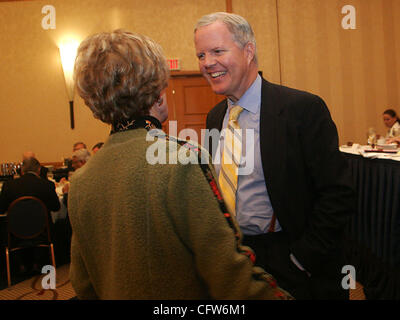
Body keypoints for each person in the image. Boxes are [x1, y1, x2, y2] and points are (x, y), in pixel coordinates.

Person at [68, 29, 292, 300]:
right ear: (158, 94)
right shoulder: (181, 159)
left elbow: (83, 284)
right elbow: (228, 273)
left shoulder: (81, 181)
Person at [194, 12, 355, 299]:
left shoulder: (302, 109)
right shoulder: (215, 117)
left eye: (217, 51)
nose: (207, 63)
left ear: (249, 51)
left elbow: (337, 193)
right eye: (201, 54)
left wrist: (301, 258)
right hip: (240, 260)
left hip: (292, 259)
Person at [0, 157, 60, 272]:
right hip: (42, 232)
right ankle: (40, 261)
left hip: (15, 233)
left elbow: (1, 209)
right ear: (38, 170)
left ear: (21, 170)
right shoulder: (47, 185)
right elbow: (56, 207)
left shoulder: (9, 186)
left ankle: (20, 264)